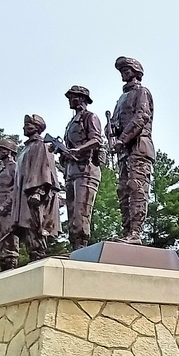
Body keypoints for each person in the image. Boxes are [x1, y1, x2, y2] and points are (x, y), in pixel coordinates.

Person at [109, 56, 155, 244]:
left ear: (136, 72)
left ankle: (135, 233)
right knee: (123, 190)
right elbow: (115, 123)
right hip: (124, 152)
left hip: (139, 147)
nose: (124, 73)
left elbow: (141, 117)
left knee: (137, 189)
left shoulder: (142, 92)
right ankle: (127, 230)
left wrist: (122, 139)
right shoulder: (121, 99)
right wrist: (111, 130)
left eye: (127, 70)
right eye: (122, 71)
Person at [58, 85, 103, 251]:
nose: (70, 100)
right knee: (71, 212)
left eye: (73, 97)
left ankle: (81, 245)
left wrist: (79, 149)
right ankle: (74, 246)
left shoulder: (90, 117)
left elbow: (97, 140)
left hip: (86, 170)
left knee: (81, 211)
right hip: (71, 171)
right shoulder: (71, 123)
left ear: (82, 99)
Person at [14, 114, 61, 262]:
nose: (24, 127)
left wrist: (38, 191)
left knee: (37, 227)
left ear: (37, 128)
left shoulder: (41, 145)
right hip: (23, 195)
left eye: (28, 125)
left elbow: (44, 168)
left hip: (35, 194)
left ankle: (38, 255)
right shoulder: (25, 149)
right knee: (28, 229)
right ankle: (34, 256)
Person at [0, 137, 20, 271]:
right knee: (0, 242)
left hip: (8, 209)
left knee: (9, 241)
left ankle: (10, 267)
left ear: (9, 151)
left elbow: (17, 190)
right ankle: (3, 268)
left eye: (2, 149)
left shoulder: (15, 167)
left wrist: (5, 206)